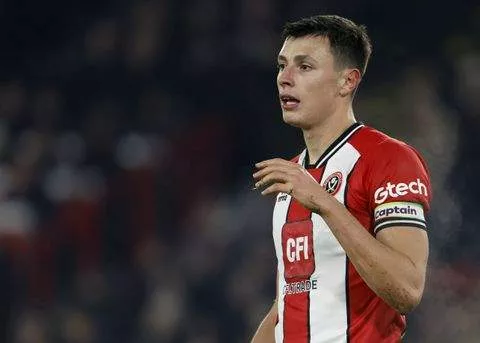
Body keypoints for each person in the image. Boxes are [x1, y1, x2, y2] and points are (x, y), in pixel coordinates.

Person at [251, 15, 431, 343]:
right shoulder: (294, 174)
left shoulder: (389, 159)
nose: (284, 79)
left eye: (304, 67)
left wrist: (323, 202)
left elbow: (407, 289)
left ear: (347, 82)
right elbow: (290, 299)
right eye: (282, 65)